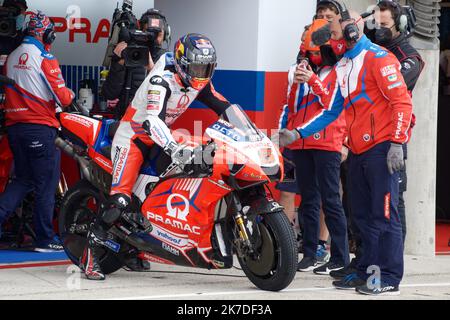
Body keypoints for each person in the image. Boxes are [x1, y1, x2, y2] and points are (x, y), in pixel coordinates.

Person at [279, 6, 413, 295]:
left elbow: (402, 103)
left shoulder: (379, 58)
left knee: (384, 216)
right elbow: (331, 110)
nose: (331, 42)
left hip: (382, 149)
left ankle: (386, 277)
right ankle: (365, 270)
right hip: (358, 151)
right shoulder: (342, 66)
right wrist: (297, 133)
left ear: (352, 31)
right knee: (361, 216)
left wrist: (397, 143)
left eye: (335, 33)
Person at [81, 33, 232, 280]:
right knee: (120, 200)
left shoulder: (199, 81)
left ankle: (146, 238)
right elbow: (152, 120)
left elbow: (224, 107)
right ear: (183, 64)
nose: (200, 73)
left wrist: (250, 132)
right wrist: (174, 149)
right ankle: (90, 254)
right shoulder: (161, 79)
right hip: (133, 137)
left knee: (187, 173)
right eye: (196, 67)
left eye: (206, 68)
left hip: (162, 136)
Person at [278, 18, 349, 275]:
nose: (312, 57)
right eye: (309, 52)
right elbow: (290, 106)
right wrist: (282, 135)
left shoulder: (341, 70)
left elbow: (332, 103)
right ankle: (309, 253)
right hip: (300, 143)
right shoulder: (300, 70)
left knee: (330, 201)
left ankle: (339, 256)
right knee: (307, 199)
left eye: (317, 52)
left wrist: (312, 80)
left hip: (328, 143)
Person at [0, 11, 74, 251]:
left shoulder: (11, 57)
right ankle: (44, 239)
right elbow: (63, 97)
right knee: (45, 184)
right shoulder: (44, 57)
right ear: (47, 33)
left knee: (22, 179)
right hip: (40, 129)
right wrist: (72, 94)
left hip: (14, 129)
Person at [102, 9, 170, 120]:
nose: (152, 38)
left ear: (165, 34)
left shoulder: (167, 59)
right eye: (149, 32)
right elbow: (109, 94)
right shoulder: (128, 52)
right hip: (125, 120)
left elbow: (171, 98)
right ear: (141, 30)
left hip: (153, 123)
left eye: (158, 33)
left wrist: (152, 70)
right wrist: (119, 64)